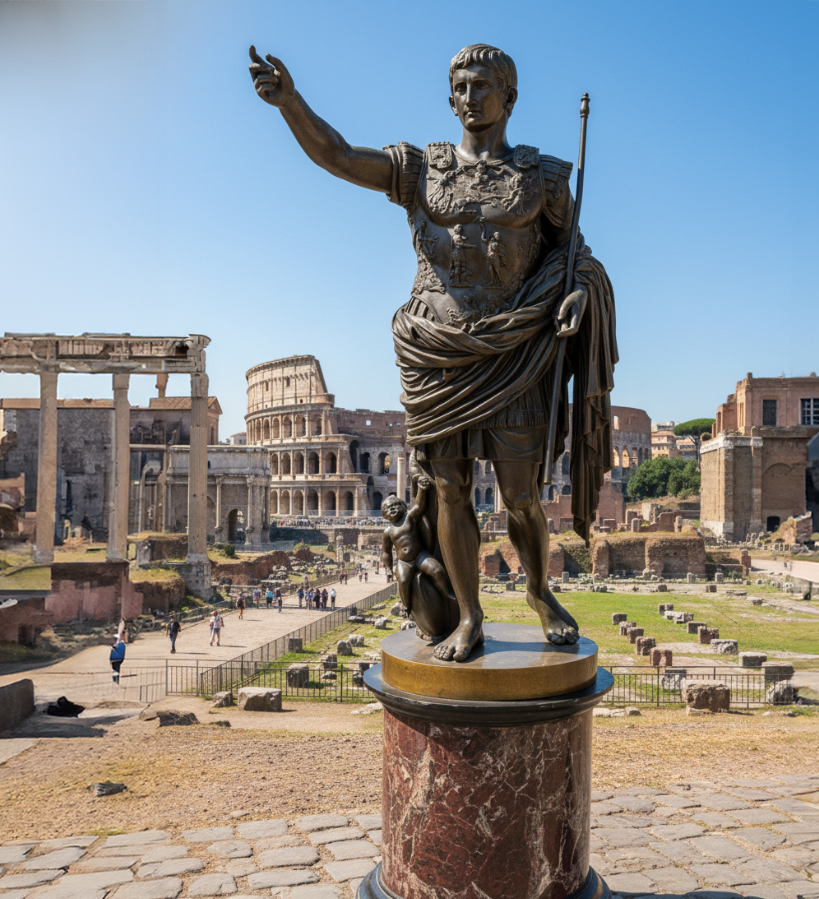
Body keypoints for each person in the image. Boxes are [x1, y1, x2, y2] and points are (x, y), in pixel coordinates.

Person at [249, 43, 615, 661]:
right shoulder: (421, 170)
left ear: (509, 97)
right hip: (437, 353)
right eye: (461, 87)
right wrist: (291, 103)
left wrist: (579, 291)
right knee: (449, 488)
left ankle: (538, 590)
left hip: (516, 350)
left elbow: (576, 254)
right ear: (450, 98)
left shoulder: (544, 178)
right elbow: (339, 155)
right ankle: (468, 616)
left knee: (521, 494)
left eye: (482, 85)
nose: (470, 97)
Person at [382, 482, 454, 613]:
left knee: (437, 570)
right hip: (404, 562)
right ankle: (407, 606)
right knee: (403, 580)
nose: (392, 509)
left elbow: (419, 506)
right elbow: (386, 552)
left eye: (395, 505)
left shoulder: (409, 517)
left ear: (403, 507)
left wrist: (421, 488)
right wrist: (388, 568)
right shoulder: (388, 532)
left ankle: (447, 594)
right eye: (388, 508)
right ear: (384, 515)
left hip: (420, 556)